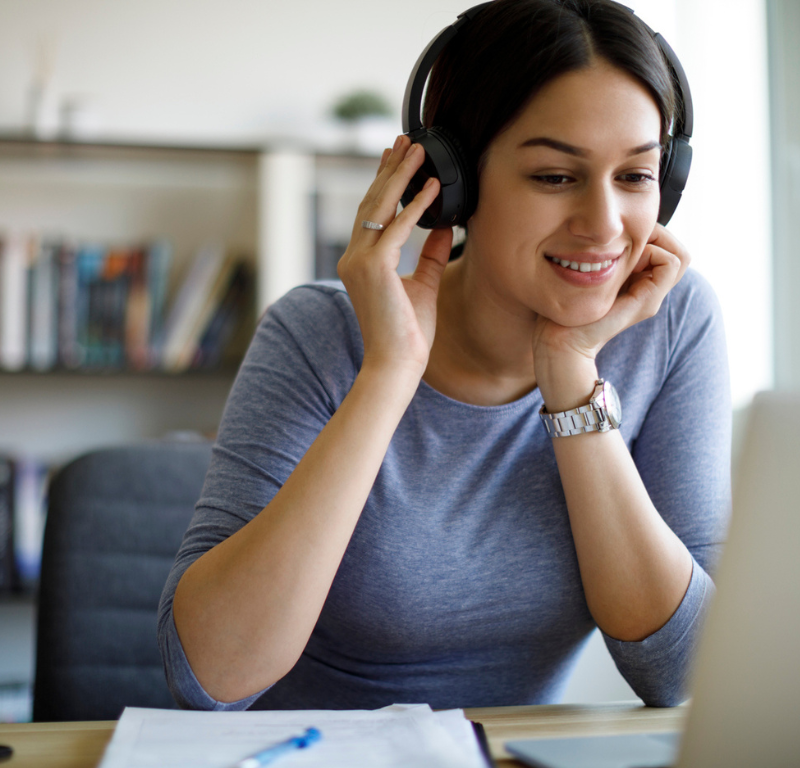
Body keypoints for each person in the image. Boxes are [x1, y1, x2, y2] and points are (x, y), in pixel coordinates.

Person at [158, 0, 730, 712]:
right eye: (556, 176)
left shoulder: (671, 323)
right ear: (453, 182)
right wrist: (390, 374)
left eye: (636, 177)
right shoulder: (318, 334)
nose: (605, 226)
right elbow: (208, 675)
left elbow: (687, 676)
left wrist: (572, 378)